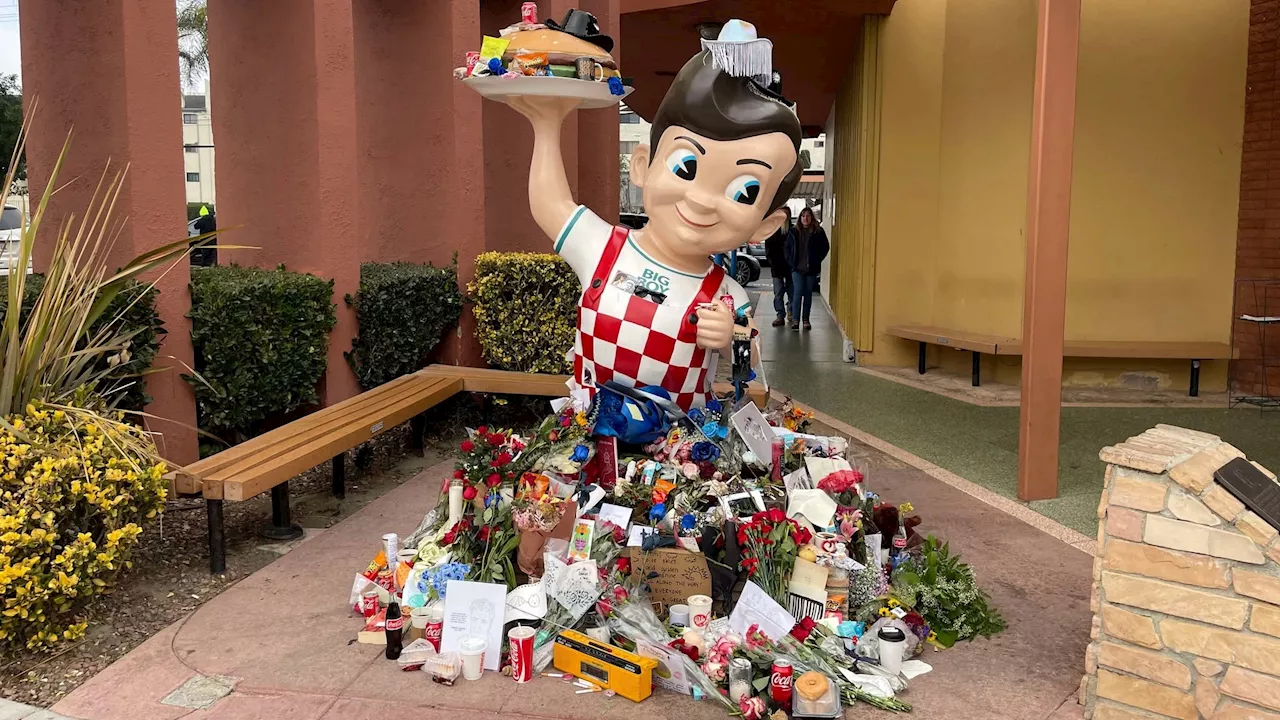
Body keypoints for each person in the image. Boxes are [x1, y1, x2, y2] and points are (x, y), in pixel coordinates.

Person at [508, 20, 802, 411]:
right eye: (685, 167)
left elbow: (751, 361)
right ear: (643, 165)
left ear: (766, 224)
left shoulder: (725, 292)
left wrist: (733, 337)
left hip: (676, 453)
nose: (701, 200)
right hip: (589, 439)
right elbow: (552, 205)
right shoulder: (604, 248)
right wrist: (545, 126)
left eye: (744, 191)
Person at [785, 206, 828, 331]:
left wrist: (817, 259)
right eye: (803, 216)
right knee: (797, 293)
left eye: (808, 216)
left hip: (811, 269)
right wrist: (790, 261)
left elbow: (825, 247)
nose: (805, 218)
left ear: (811, 218)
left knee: (808, 294)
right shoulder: (793, 232)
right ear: (800, 218)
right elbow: (787, 248)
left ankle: (806, 320)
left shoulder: (818, 232)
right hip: (797, 268)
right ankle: (795, 320)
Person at [764, 206, 792, 326]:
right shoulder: (772, 230)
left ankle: (791, 312)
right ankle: (780, 315)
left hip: (791, 268)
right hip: (777, 267)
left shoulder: (793, 230)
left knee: (792, 292)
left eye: (786, 215)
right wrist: (771, 263)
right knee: (778, 293)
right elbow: (768, 249)